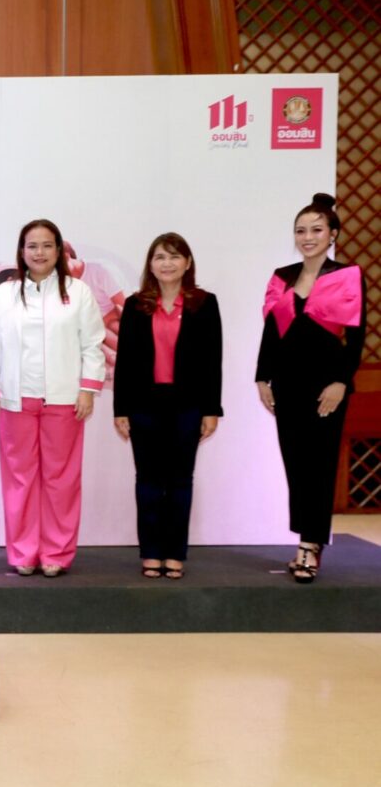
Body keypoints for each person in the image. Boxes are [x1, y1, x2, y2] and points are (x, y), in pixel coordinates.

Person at [0, 220, 105, 577]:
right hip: (15, 400)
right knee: (19, 480)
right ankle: (23, 552)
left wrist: (87, 389)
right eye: (32, 246)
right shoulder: (4, 294)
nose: (39, 253)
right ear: (21, 252)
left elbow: (93, 344)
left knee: (61, 480)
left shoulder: (78, 292)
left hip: (65, 400)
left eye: (47, 245)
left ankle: (56, 553)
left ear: (59, 250)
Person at [255, 193, 364, 583]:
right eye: (300, 231)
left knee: (320, 466)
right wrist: (262, 378)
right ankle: (305, 538)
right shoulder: (282, 276)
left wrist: (341, 382)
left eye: (316, 230)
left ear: (332, 234)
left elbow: (356, 338)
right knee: (296, 466)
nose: (307, 237)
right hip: (287, 385)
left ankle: (310, 545)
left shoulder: (347, 275)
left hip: (326, 388)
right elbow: (271, 332)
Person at [112, 233, 223, 579]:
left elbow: (213, 360)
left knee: (179, 481)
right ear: (151, 264)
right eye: (160, 257)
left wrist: (211, 409)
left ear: (187, 263)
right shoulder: (136, 305)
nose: (167, 263)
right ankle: (150, 553)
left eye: (175, 256)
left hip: (188, 406)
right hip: (144, 406)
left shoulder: (204, 304)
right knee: (147, 481)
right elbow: (124, 361)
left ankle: (175, 554)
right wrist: (120, 410)